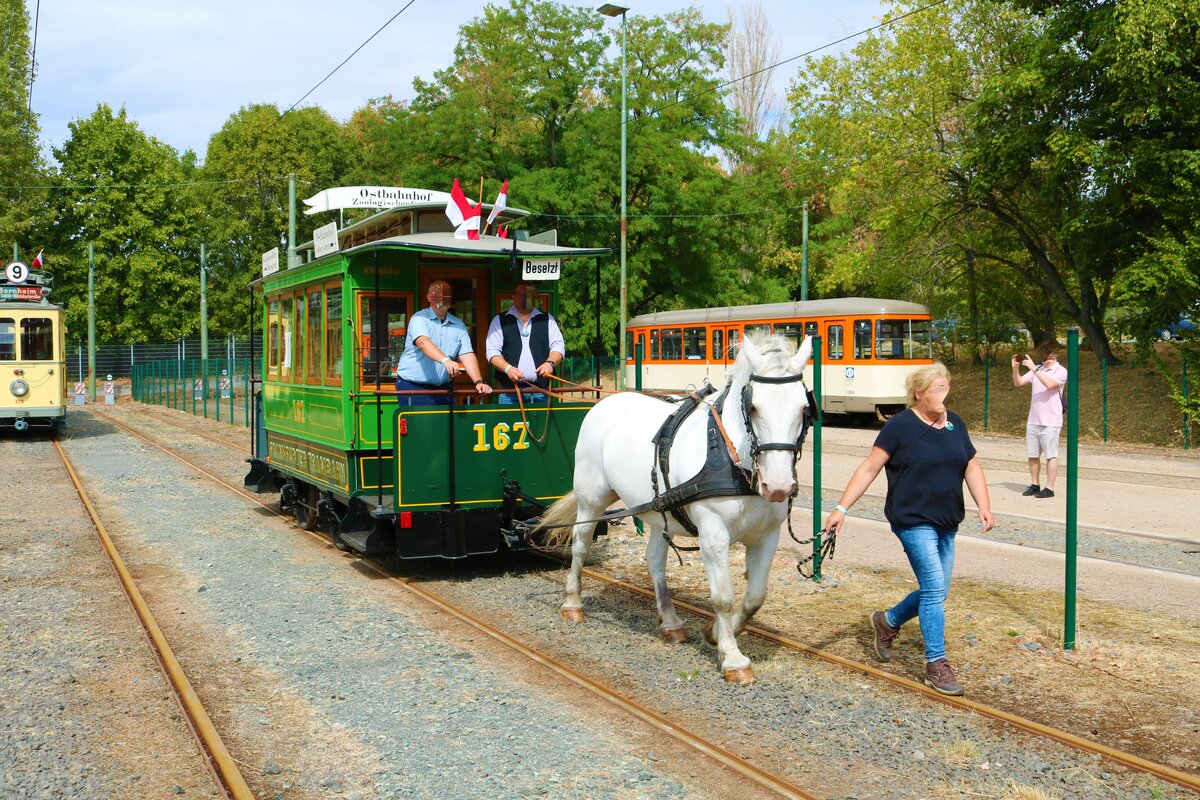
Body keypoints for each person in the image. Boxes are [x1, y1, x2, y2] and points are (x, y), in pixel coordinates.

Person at [824, 363, 994, 696]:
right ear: (919, 393)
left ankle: (887, 621)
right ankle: (936, 664)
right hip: (913, 520)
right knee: (933, 587)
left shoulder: (955, 423)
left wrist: (984, 505)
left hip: (948, 520)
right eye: (937, 390)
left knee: (937, 591)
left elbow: (971, 465)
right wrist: (841, 509)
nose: (944, 396)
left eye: (947, 388)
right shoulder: (899, 426)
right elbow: (869, 468)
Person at [394, 280, 492, 405]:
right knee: (420, 425)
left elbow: (467, 355)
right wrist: (446, 361)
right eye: (437, 295)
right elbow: (423, 343)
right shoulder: (419, 319)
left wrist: (478, 382)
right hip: (413, 387)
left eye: (445, 296)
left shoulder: (459, 325)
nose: (441, 300)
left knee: (449, 425)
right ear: (429, 297)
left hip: (444, 388)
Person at [485, 282, 565, 405]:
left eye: (531, 295)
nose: (527, 299)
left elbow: (558, 346)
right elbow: (492, 352)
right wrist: (508, 369)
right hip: (509, 392)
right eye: (524, 295)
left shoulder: (547, 319)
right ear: (513, 297)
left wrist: (549, 364)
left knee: (541, 425)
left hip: (540, 390)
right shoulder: (499, 320)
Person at [1012, 349, 1067, 498]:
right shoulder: (1038, 369)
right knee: (1033, 455)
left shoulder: (1060, 371)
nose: (1047, 358)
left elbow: (1050, 384)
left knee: (1051, 455)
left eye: (1049, 355)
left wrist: (1034, 368)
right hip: (1033, 420)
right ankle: (1035, 484)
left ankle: (1049, 488)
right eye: (1045, 355)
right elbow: (1019, 383)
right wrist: (1015, 368)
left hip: (1051, 421)